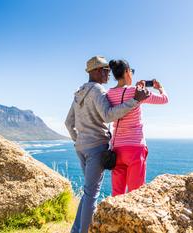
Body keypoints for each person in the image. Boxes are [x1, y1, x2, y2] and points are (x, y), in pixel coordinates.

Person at [65, 55, 150, 233]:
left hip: (81, 147)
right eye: (105, 71)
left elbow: (68, 122)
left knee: (88, 191)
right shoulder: (98, 91)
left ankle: (75, 230)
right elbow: (108, 115)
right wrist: (134, 101)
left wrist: (78, 140)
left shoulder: (79, 92)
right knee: (92, 193)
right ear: (96, 71)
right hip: (96, 146)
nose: (108, 75)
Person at [107, 59, 168, 197]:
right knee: (136, 193)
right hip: (135, 148)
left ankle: (114, 218)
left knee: (117, 194)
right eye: (131, 71)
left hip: (116, 150)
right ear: (127, 71)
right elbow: (164, 99)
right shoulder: (137, 91)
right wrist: (160, 87)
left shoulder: (108, 94)